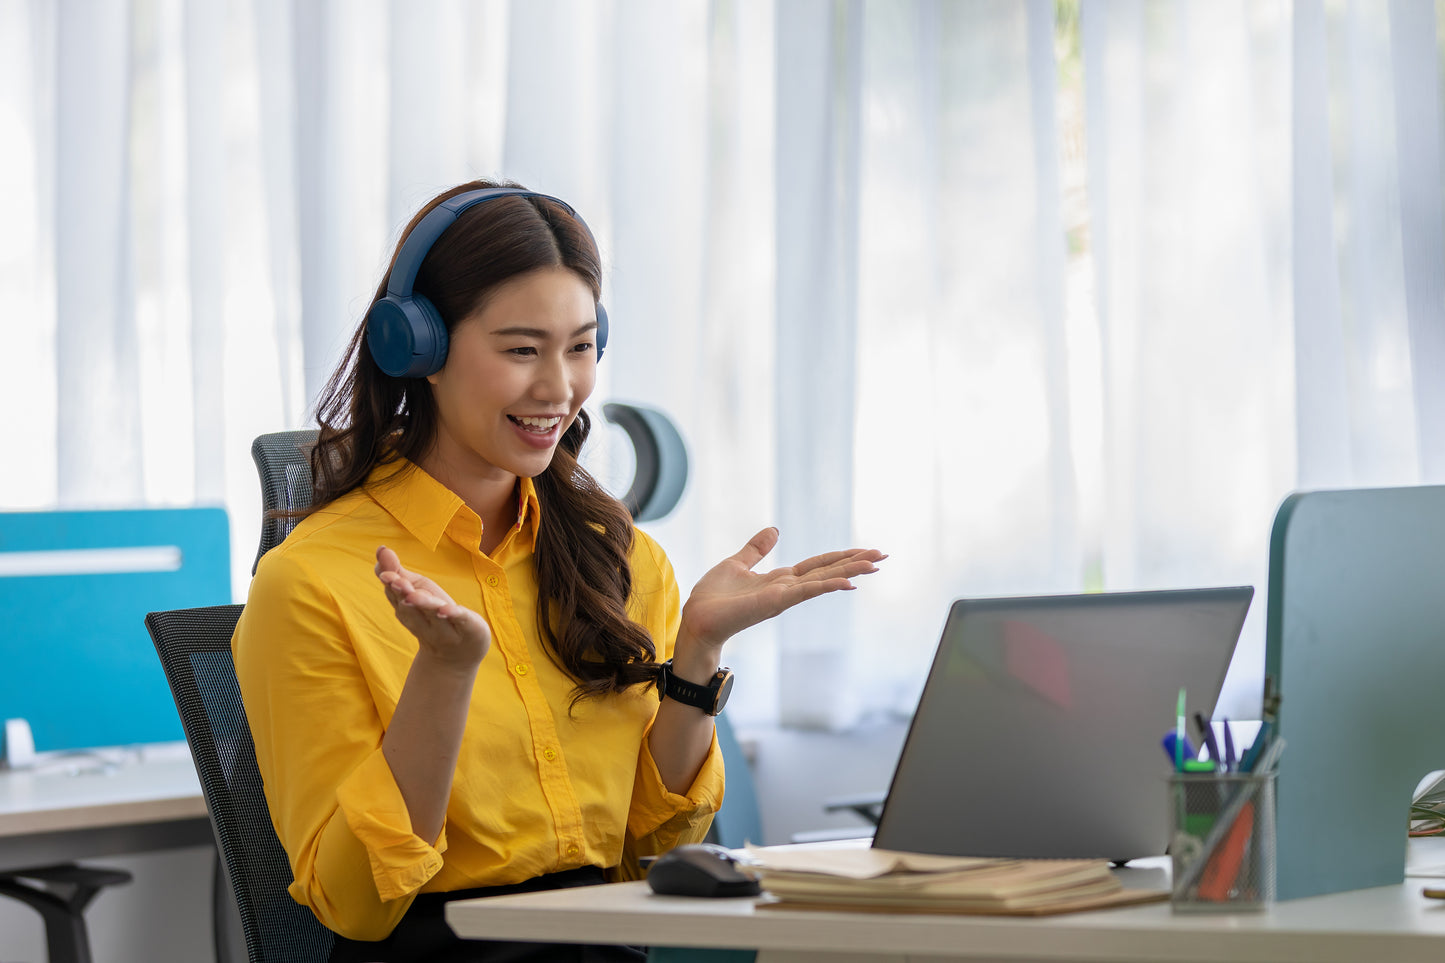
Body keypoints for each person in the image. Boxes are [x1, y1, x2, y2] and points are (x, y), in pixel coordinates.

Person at [232, 180, 884, 963]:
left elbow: (651, 840)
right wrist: (443, 674)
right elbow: (355, 903)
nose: (558, 388)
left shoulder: (620, 557)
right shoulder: (312, 582)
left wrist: (696, 654)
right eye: (520, 349)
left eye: (579, 347)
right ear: (418, 349)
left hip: (607, 943)